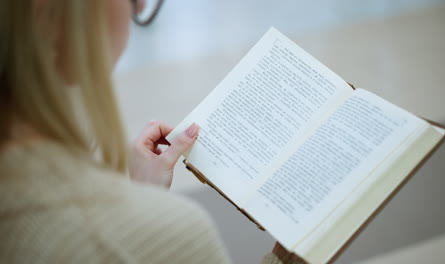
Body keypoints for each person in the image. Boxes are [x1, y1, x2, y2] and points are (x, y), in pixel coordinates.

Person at [0, 1, 306, 263]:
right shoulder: (173, 235)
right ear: (47, 11)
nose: (142, 5)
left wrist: (139, 200)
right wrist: (289, 257)